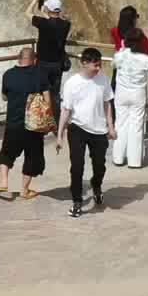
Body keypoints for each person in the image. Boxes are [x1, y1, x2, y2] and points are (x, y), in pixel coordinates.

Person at [56, 49, 115, 217]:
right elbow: (66, 110)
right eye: (95, 65)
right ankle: (77, 201)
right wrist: (60, 135)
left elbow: (107, 104)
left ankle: (96, 185)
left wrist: (111, 126)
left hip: (99, 129)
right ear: (84, 63)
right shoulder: (72, 83)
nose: (98, 68)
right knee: (77, 165)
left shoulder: (103, 80)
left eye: (100, 64)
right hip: (77, 128)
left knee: (99, 166)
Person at [0, 47, 47, 199]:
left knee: (7, 153)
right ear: (34, 60)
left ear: (18, 59)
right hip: (33, 125)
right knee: (32, 157)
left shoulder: (8, 74)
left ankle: (3, 182)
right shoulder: (40, 75)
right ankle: (24, 190)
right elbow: (47, 99)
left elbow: (4, 97)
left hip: (13, 123)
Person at [109, 29, 148, 169]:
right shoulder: (145, 59)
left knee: (120, 124)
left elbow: (113, 65)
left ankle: (118, 158)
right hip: (138, 94)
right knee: (136, 126)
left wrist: (122, 50)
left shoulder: (120, 55)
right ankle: (134, 161)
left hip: (121, 93)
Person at [28, 0, 72, 93]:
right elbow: (54, 23)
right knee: (55, 92)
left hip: (43, 64)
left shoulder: (42, 23)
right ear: (59, 10)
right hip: (57, 64)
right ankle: (55, 108)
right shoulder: (66, 25)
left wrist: (34, 0)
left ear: (48, 8)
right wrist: (44, 13)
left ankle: (44, 108)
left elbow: (27, 13)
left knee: (41, 91)